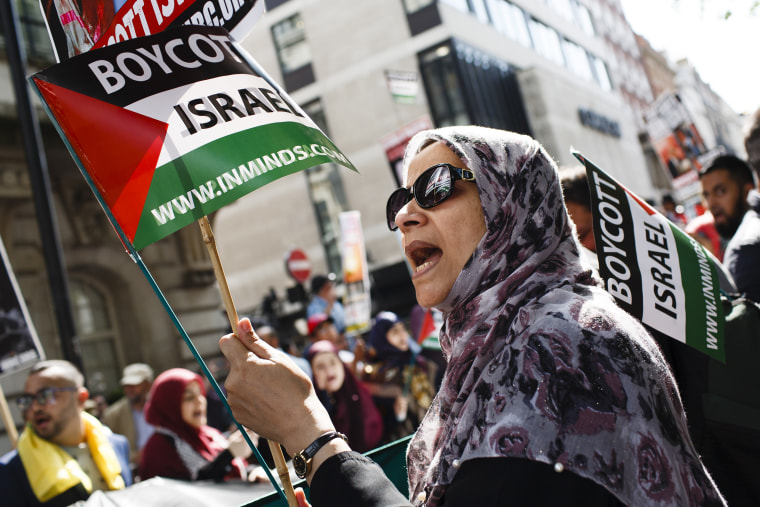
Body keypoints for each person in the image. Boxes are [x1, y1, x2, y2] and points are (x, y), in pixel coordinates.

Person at [219, 126, 724, 506]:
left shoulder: (560, 345)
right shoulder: (500, 344)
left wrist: (313, 437)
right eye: (401, 200)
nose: (405, 216)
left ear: (512, 205)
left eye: (437, 187)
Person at [0, 360, 132, 507]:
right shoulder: (10, 470)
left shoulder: (117, 445)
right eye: (28, 400)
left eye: (46, 395)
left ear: (80, 398)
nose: (35, 406)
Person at [139, 368, 257, 482]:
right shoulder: (159, 449)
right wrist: (229, 455)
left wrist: (254, 473)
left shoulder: (210, 434)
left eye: (201, 393)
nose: (199, 401)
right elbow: (190, 492)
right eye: (189, 397)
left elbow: (236, 472)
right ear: (169, 405)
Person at [361, 311, 436, 443]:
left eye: (403, 329)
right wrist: (397, 416)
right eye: (395, 332)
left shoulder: (421, 363)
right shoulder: (377, 374)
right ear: (381, 338)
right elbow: (375, 421)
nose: (402, 335)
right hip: (404, 443)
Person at [699, 154, 759, 302]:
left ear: (747, 191)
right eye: (706, 195)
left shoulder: (743, 249)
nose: (711, 204)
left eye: (720, 191)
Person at [307, 340, 383, 453]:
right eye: (320, 366)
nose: (328, 370)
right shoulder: (314, 409)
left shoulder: (360, 395)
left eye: (333, 362)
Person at [102, 363, 155, 473]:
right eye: (126, 385)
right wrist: (134, 457)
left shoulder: (161, 407)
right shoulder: (113, 415)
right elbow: (108, 448)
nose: (129, 389)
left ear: (147, 385)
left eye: (134, 385)